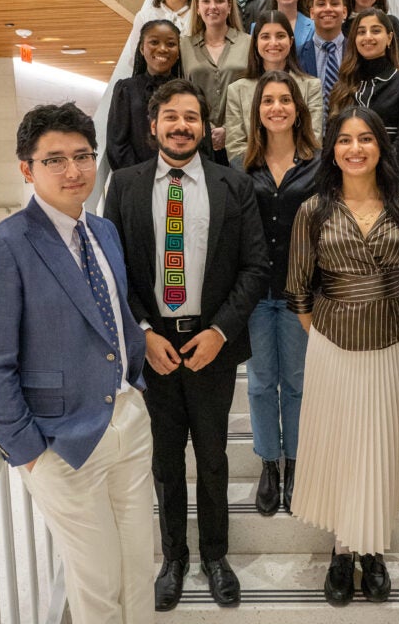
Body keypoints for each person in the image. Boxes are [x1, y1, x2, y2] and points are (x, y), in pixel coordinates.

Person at [0, 103, 154, 624]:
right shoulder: (3, 247)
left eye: (82, 156)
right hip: (61, 443)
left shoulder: (103, 232)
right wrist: (28, 451)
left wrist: (134, 383)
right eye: (55, 160)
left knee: (139, 566)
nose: (73, 171)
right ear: (27, 169)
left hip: (128, 421)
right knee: (97, 583)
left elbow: (114, 314)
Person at [104, 78, 268, 611]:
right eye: (170, 116)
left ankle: (215, 557)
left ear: (206, 127)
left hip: (210, 343)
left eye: (191, 117)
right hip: (154, 346)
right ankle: (174, 558)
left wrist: (220, 332)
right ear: (152, 127)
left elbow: (254, 267)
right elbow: (114, 271)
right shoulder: (124, 185)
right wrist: (143, 334)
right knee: (165, 460)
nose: (181, 125)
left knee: (215, 456)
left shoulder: (233, 185)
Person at [285, 107, 399, 606]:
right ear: (332, 150)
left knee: (381, 450)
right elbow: (299, 291)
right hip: (333, 349)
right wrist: (327, 334)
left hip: (393, 348)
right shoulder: (314, 211)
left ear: (380, 149)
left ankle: (373, 552)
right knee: (343, 448)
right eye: (344, 140)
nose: (354, 148)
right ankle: (342, 551)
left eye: (365, 139)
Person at [231, 70, 319, 516]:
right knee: (262, 384)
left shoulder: (321, 165)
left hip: (301, 295)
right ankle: (269, 463)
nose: (277, 107)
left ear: (298, 109)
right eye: (268, 101)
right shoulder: (240, 168)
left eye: (285, 99)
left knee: (299, 384)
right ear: (257, 112)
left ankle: (297, 462)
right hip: (256, 294)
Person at [330, 8, 399, 196]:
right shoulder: (342, 84)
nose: (367, 37)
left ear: (389, 39)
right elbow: (333, 137)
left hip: (391, 179)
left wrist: (377, 173)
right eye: (361, 32)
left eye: (376, 30)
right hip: (346, 178)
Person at [225, 11, 322, 160]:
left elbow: (313, 141)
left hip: (300, 175)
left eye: (280, 36)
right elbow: (235, 148)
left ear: (290, 41)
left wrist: (288, 172)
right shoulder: (236, 90)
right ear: (255, 42)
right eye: (265, 37)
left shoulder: (312, 86)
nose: (273, 43)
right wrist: (267, 174)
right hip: (252, 177)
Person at [180, 0, 251, 163]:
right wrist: (205, 128)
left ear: (229, 6)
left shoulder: (249, 43)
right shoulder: (184, 45)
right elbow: (180, 92)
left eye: (219, 0)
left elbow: (254, 91)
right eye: (206, 1)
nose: (213, 6)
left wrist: (228, 129)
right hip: (196, 139)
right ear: (197, 7)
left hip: (241, 140)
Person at [107, 19, 181, 170]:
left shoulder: (189, 91)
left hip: (182, 180)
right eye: (154, 42)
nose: (162, 49)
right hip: (136, 179)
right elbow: (117, 143)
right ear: (141, 48)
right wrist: (141, 177)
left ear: (179, 52)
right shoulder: (126, 88)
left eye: (171, 44)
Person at [296, 0, 348, 127]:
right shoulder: (296, 55)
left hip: (348, 139)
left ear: (344, 12)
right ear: (312, 13)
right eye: (321, 4)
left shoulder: (357, 53)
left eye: (334, 3)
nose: (328, 9)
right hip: (309, 139)